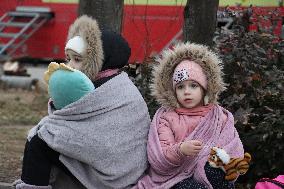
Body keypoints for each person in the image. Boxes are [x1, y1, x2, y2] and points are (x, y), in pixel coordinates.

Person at [15, 15, 150, 189]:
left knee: (40, 141)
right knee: (45, 135)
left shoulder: (119, 91)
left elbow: (105, 142)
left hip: (116, 174)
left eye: (77, 60)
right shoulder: (102, 81)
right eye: (68, 58)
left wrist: (54, 130)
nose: (69, 65)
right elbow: (75, 122)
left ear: (100, 61)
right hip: (105, 164)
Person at [135, 42, 244, 189]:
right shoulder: (166, 117)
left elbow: (231, 145)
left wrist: (221, 158)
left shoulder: (218, 116)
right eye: (180, 87)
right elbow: (159, 158)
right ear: (173, 92)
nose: (187, 92)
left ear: (205, 88)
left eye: (193, 85)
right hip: (174, 178)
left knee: (219, 174)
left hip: (205, 172)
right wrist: (180, 150)